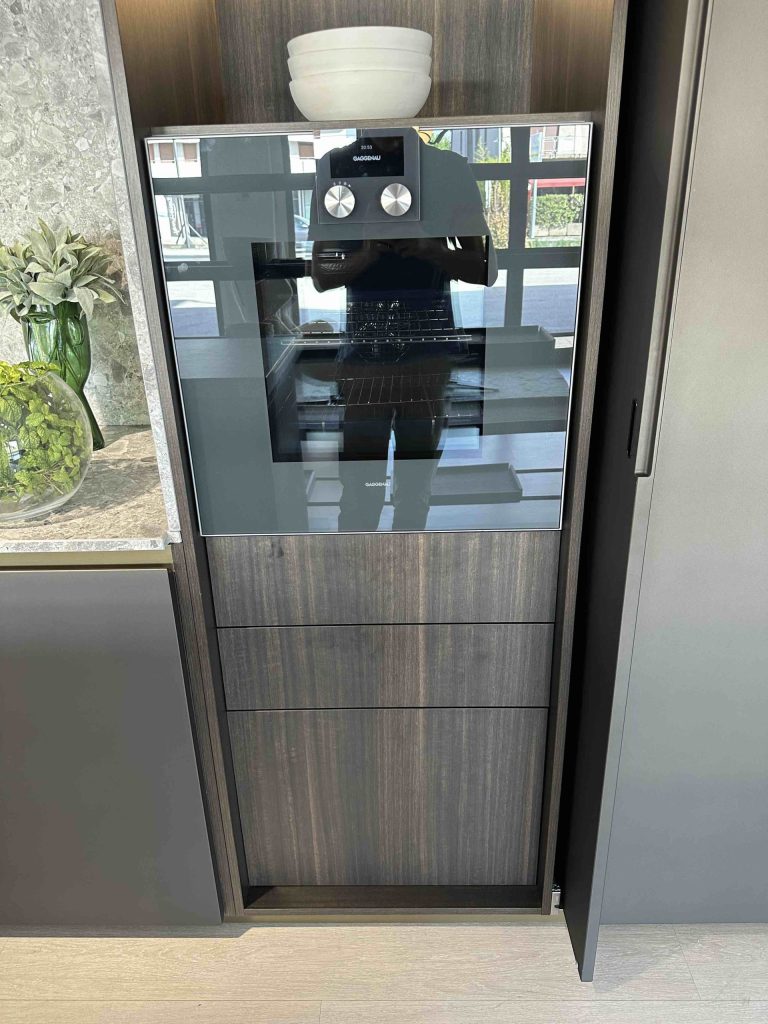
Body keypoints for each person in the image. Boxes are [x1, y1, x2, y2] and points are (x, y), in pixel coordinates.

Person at [311, 135, 497, 532]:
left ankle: (378, 562)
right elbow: (322, 275)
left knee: (395, 490)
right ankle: (383, 559)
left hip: (401, 351)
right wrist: (378, 253)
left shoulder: (346, 165)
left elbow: (484, 269)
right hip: (396, 351)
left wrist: (427, 249)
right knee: (374, 489)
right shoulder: (344, 165)